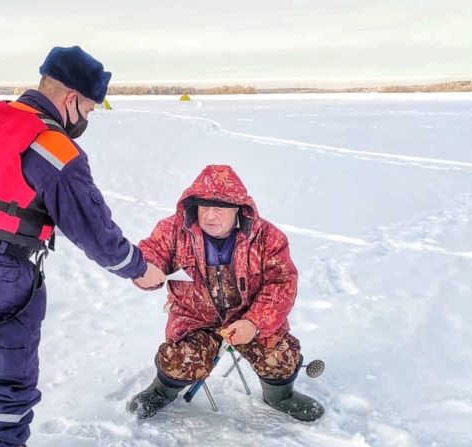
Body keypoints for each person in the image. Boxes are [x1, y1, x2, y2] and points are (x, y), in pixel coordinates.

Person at [0, 46, 166, 447]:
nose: (86, 119)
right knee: (5, 390)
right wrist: (139, 268)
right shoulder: (52, 148)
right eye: (88, 108)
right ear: (71, 98)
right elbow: (96, 232)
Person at [127, 164, 324, 422]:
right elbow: (150, 252)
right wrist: (143, 270)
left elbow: (282, 284)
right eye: (204, 207)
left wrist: (254, 323)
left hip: (248, 319)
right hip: (194, 319)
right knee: (179, 359)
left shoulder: (268, 237)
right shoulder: (172, 230)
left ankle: (280, 396)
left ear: (238, 210)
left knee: (281, 356)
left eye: (219, 208)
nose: (210, 216)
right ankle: (161, 391)